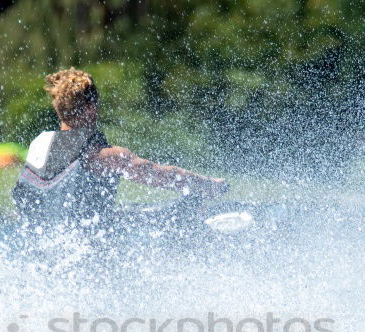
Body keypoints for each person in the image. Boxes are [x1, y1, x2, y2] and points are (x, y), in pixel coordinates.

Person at [12, 68, 227, 226]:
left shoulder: (38, 145)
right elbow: (160, 174)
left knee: (127, 215)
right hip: (91, 258)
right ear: (90, 108)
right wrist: (208, 185)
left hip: (46, 251)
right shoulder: (103, 156)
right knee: (168, 219)